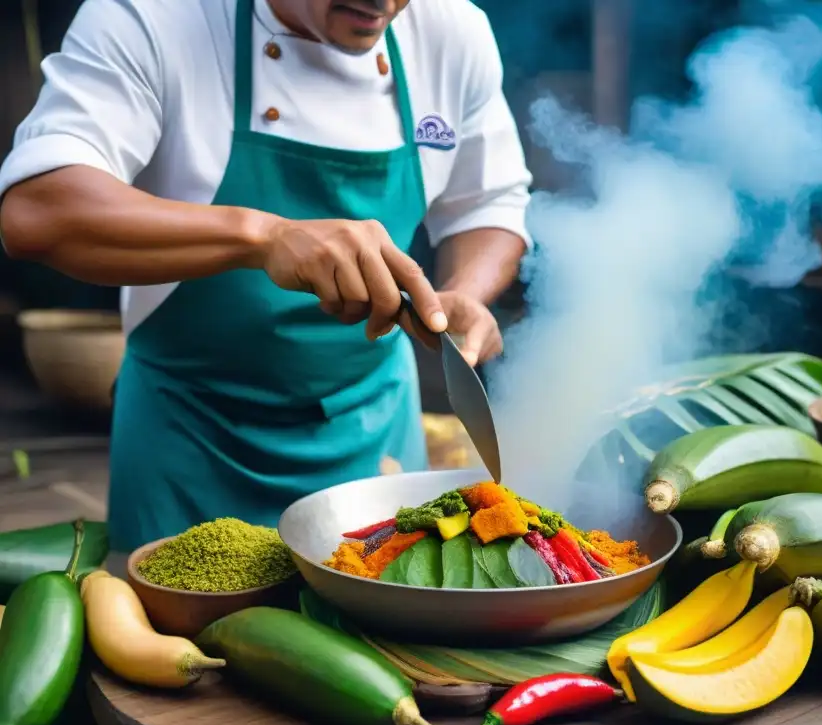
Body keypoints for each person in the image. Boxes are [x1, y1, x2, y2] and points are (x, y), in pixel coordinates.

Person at [0, 0, 532, 555]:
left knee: (389, 633)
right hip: (190, 446)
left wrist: (464, 294)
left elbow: (489, 204)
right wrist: (264, 237)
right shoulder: (150, 16)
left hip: (375, 441)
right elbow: (39, 211)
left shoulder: (452, 30)